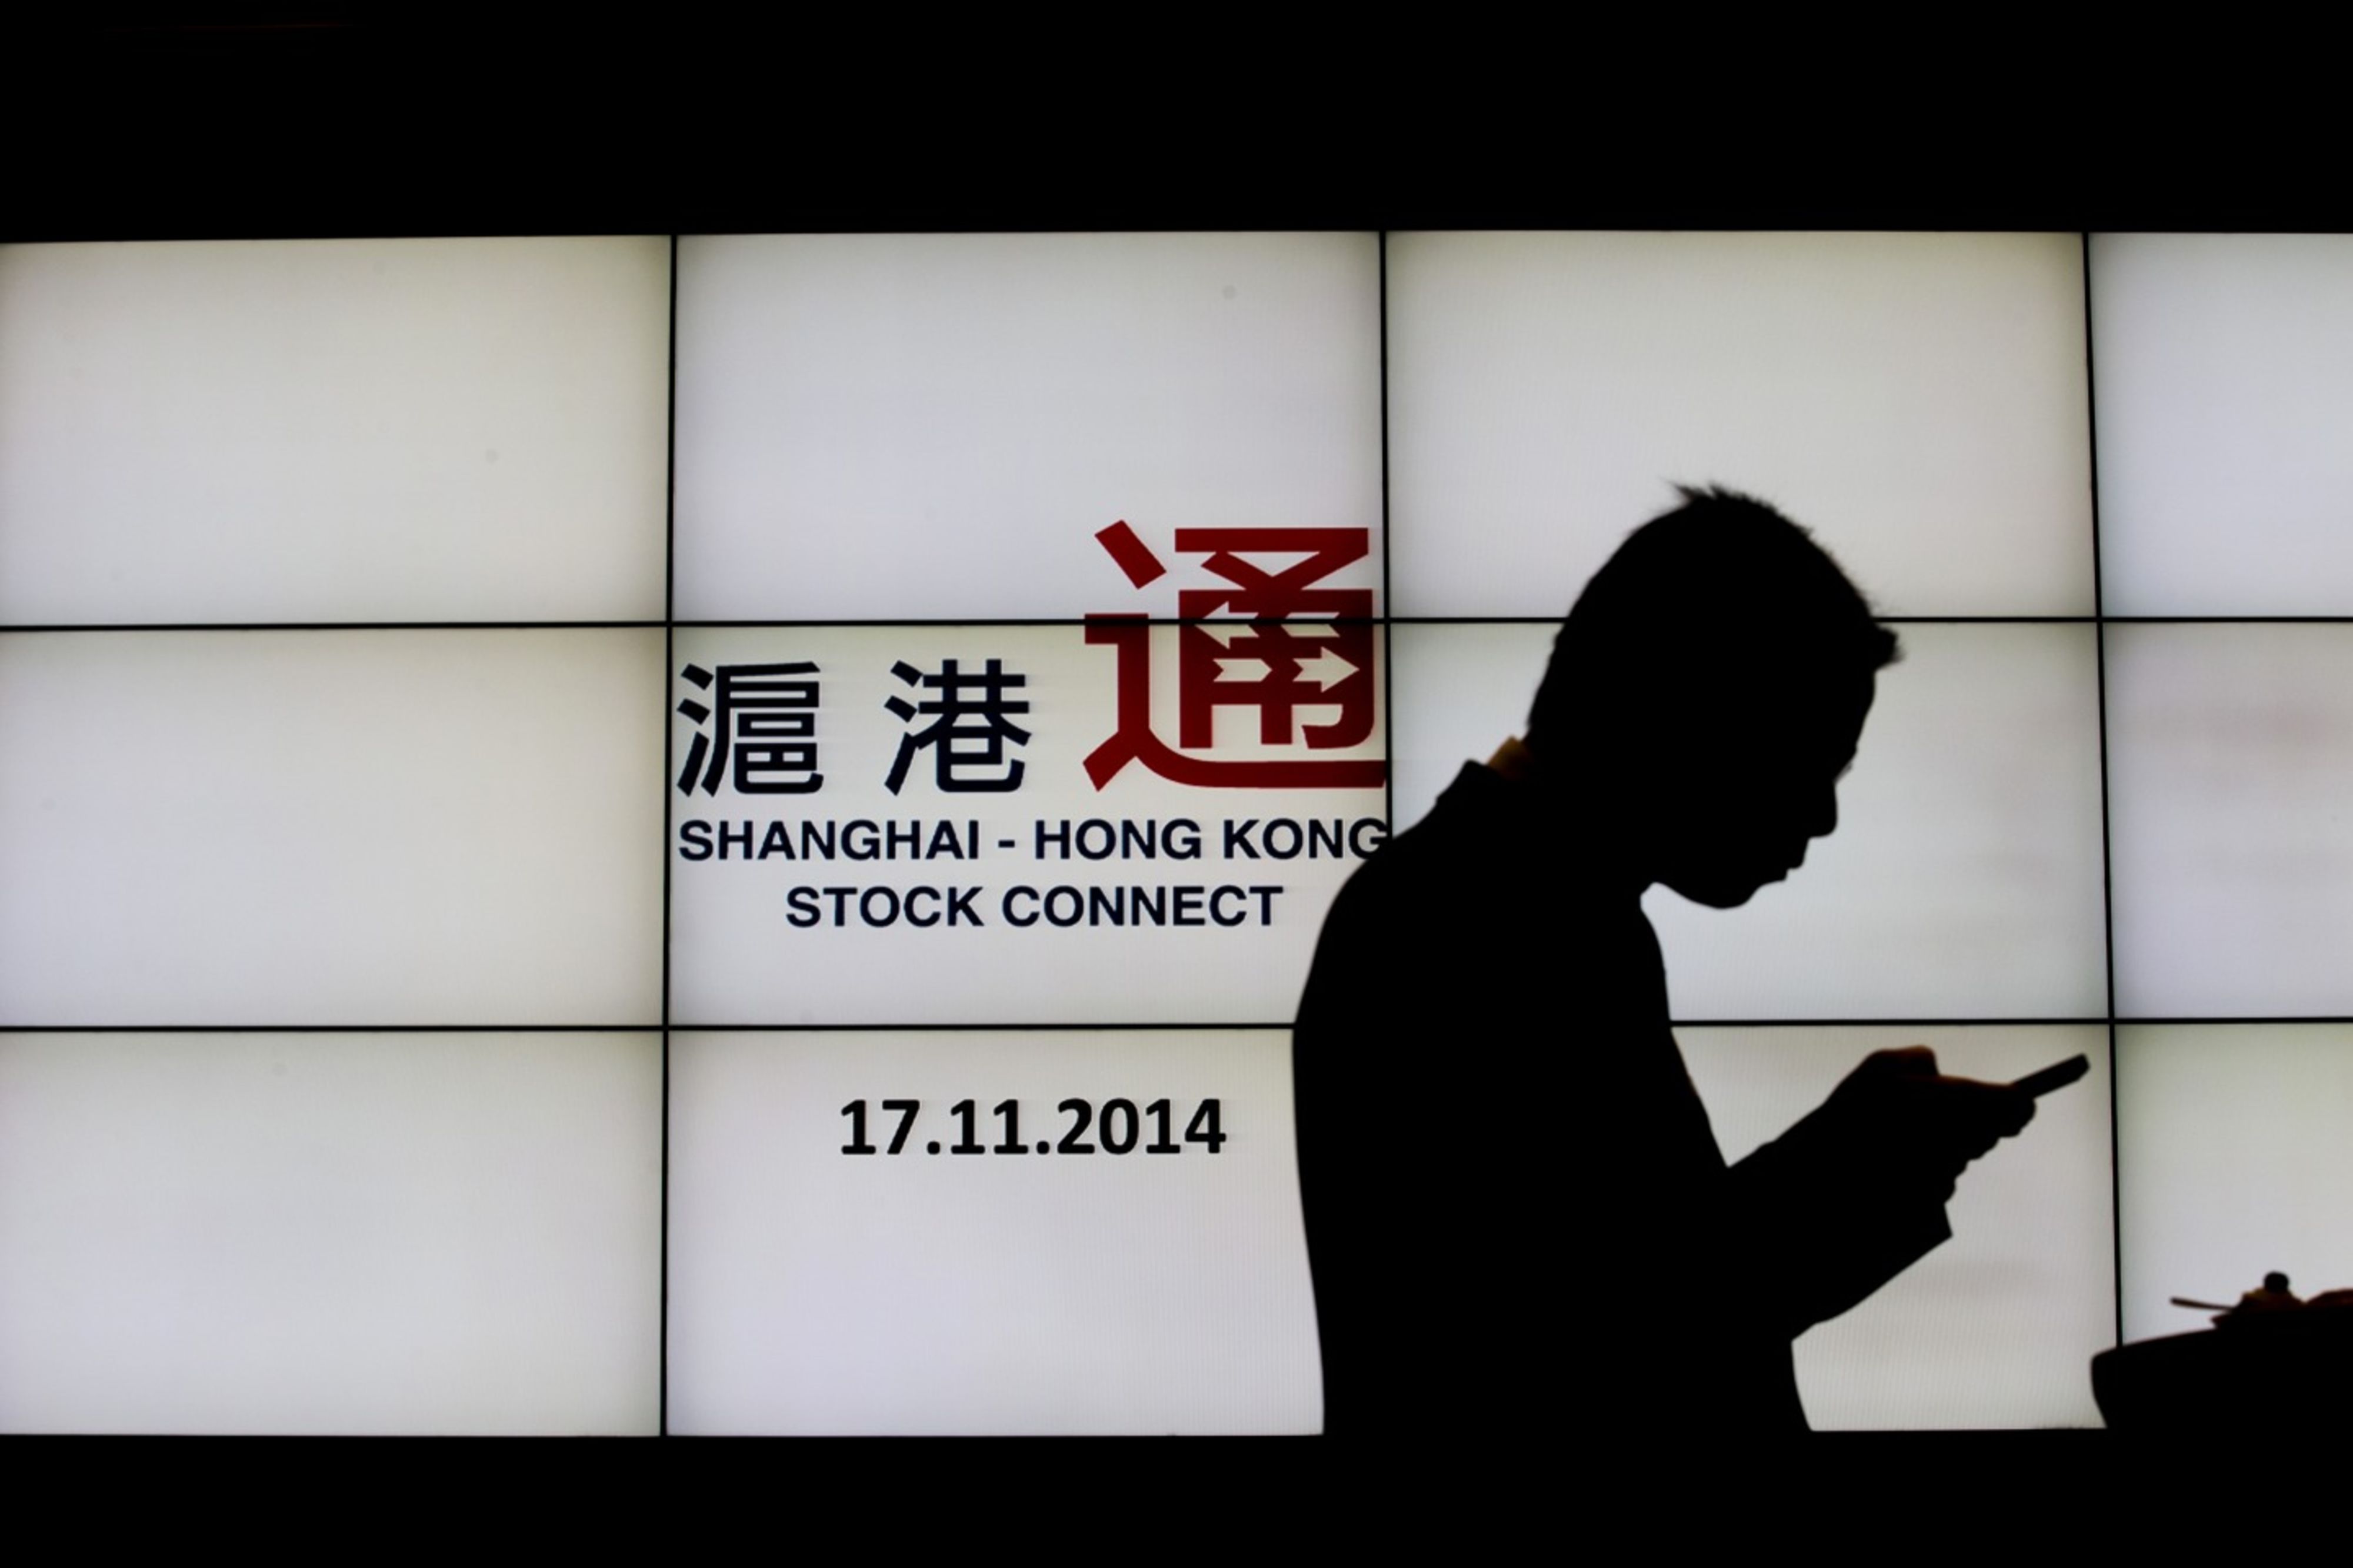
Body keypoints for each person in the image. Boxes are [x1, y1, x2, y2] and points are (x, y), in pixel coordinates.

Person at [1291, 485, 2037, 1436]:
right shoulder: (1482, 921)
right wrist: (1851, 1166)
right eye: (1808, 758)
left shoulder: (1480, 898)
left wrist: (1852, 1158)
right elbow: (1606, 1343)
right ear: (1688, 708)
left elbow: (1615, 1283)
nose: (1822, 814)